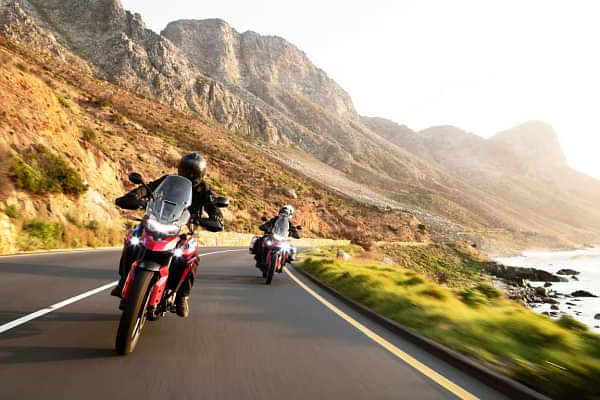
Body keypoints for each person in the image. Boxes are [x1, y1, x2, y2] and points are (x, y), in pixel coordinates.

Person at [111, 153, 224, 318]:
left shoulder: (203, 190)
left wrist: (215, 218)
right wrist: (135, 197)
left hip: (182, 228)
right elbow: (147, 188)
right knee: (132, 239)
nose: (189, 175)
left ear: (201, 174)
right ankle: (123, 280)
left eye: (193, 172)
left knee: (192, 257)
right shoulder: (167, 181)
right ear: (180, 169)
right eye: (186, 170)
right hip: (158, 219)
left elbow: (213, 207)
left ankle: (182, 297)